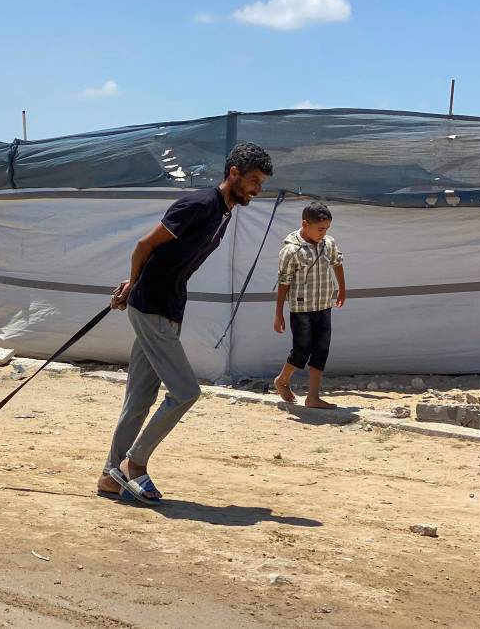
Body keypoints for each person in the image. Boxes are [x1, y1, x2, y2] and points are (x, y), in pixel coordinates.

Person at [98, 143, 274, 504]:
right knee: (186, 392)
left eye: (262, 183)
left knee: (139, 399)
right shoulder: (198, 205)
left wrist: (134, 286)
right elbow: (144, 245)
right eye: (253, 180)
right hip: (152, 306)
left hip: (168, 306)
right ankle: (135, 463)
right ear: (233, 173)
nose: (257, 189)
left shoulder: (224, 214)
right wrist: (133, 285)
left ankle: (109, 479)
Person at [272, 202, 346, 409]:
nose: (324, 233)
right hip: (301, 309)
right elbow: (284, 282)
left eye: (327, 229)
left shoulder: (328, 243)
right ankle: (282, 380)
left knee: (321, 349)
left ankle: (313, 396)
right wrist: (279, 313)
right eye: (320, 228)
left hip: (324, 304)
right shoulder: (290, 251)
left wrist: (342, 289)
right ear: (305, 224)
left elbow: (337, 263)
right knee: (301, 349)